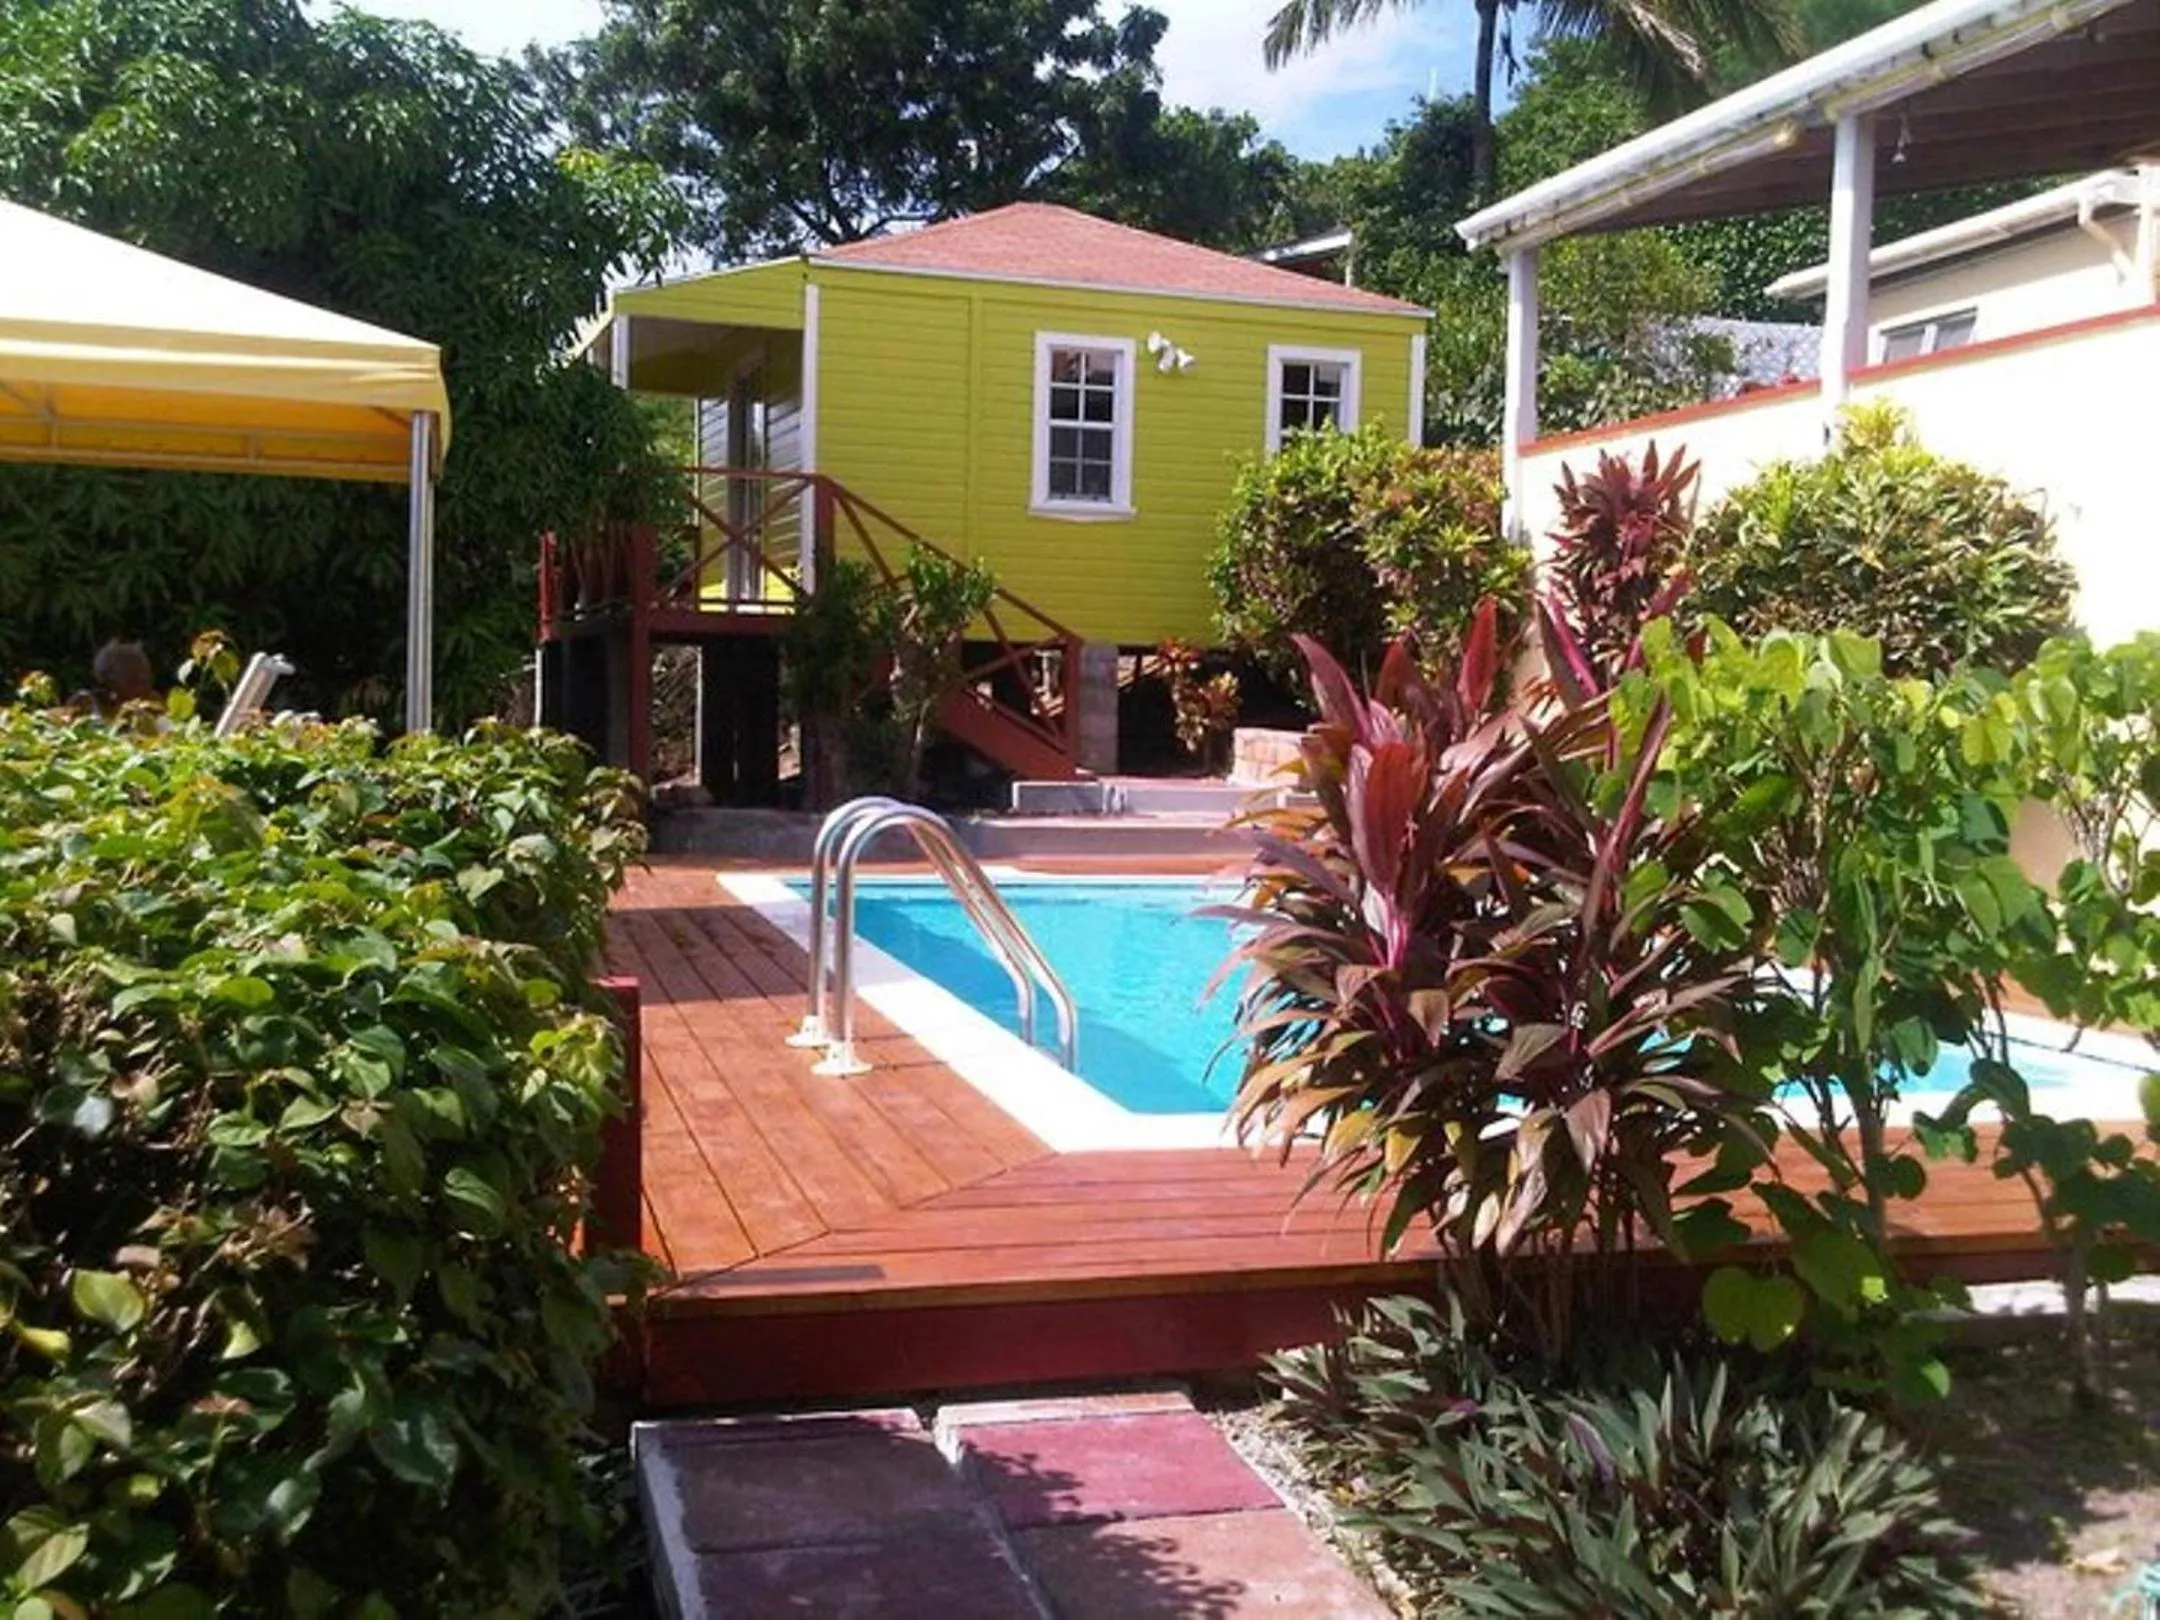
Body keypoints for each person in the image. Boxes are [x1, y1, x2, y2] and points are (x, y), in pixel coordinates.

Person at [78, 640, 159, 719]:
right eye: (134, 680)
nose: (144, 688)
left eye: (146, 680)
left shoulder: (153, 704)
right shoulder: (87, 704)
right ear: (110, 679)